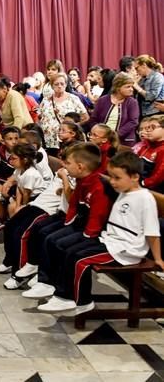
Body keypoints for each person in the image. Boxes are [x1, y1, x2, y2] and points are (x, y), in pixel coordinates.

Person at [37, 151, 164, 314]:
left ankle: (78, 300)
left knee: (79, 260)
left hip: (125, 250)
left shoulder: (144, 199)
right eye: (111, 177)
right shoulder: (123, 192)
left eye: (117, 178)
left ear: (134, 176)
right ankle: (60, 292)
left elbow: (152, 232)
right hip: (109, 241)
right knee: (68, 249)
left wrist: (158, 259)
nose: (112, 182)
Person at [23, 143, 115, 300]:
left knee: (61, 243)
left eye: (67, 163)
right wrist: (67, 224)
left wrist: (85, 235)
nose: (64, 166)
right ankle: (45, 281)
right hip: (79, 223)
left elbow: (96, 218)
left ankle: (56, 287)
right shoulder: (83, 180)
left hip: (93, 231)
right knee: (49, 237)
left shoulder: (98, 186)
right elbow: (73, 204)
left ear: (80, 166)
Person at [37, 73, 88, 155]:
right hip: (48, 141)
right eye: (56, 84)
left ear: (66, 84)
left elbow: (85, 117)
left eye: (62, 83)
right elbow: (39, 117)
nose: (59, 86)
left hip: (66, 142)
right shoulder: (46, 100)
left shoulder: (73, 99)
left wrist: (73, 127)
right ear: (52, 86)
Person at [85, 72, 139, 146]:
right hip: (101, 140)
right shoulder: (102, 100)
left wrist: (115, 135)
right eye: (128, 87)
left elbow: (133, 122)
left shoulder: (132, 102)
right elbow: (93, 120)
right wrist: (99, 134)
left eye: (132, 87)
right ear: (118, 87)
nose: (131, 89)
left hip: (124, 142)